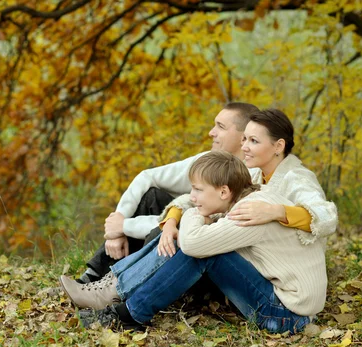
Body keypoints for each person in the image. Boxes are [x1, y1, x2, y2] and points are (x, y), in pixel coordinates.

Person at [60, 109, 337, 314]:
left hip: (281, 274)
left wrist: (278, 211)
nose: (244, 147)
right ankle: (107, 284)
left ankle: (120, 298)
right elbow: (196, 199)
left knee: (195, 245)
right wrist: (171, 220)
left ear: (278, 146)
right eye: (245, 140)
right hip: (256, 259)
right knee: (175, 224)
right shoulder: (252, 173)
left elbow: (326, 217)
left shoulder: (297, 179)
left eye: (253, 141)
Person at [77, 150, 330, 334]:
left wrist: (191, 213)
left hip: (286, 315)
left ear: (223, 192)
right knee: (191, 238)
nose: (192, 196)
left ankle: (127, 313)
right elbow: (191, 212)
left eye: (198, 190)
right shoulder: (250, 195)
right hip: (285, 299)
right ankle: (115, 289)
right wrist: (175, 221)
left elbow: (193, 245)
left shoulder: (249, 214)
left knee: (200, 251)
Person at [77, 102, 260, 283]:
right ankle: (94, 275)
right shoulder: (209, 162)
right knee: (152, 197)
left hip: (205, 259)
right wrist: (117, 227)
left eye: (220, 127)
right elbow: (147, 177)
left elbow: (200, 223)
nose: (211, 132)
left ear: (243, 136)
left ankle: (121, 284)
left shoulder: (253, 177)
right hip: (182, 234)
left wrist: (124, 225)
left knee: (167, 227)